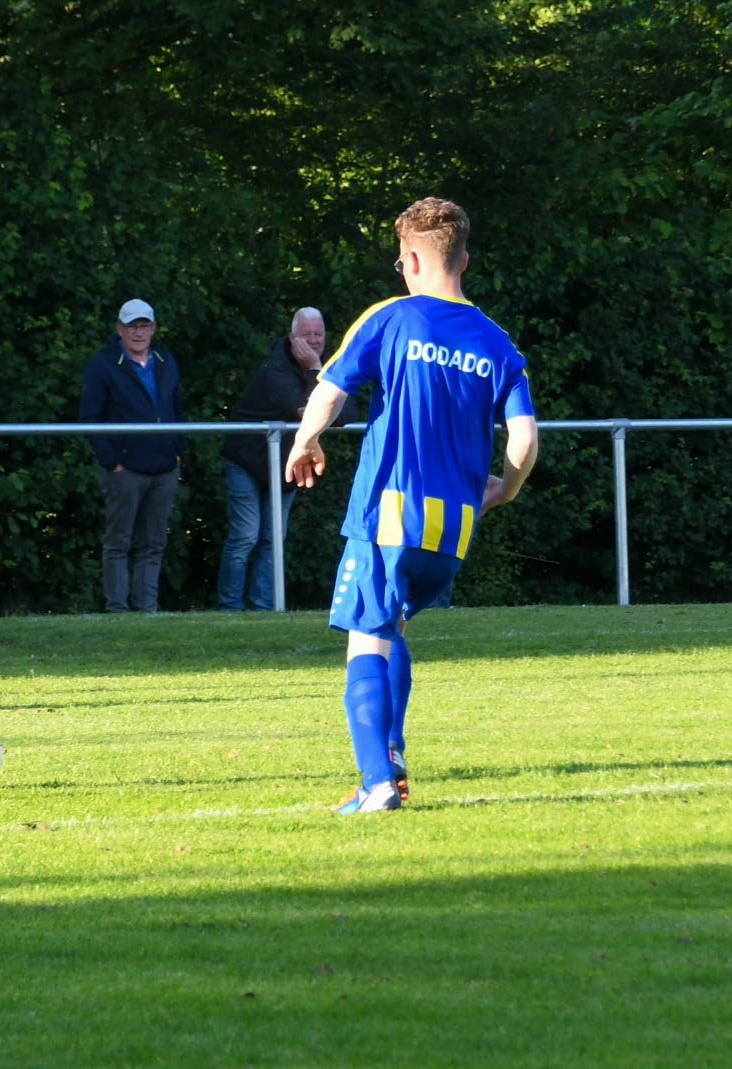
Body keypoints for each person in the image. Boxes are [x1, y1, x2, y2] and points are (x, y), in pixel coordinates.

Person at [286, 197, 539, 813]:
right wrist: (505, 489)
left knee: (364, 637)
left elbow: (331, 388)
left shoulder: (392, 317)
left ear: (412, 261)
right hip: (454, 524)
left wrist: (305, 439)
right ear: (464, 260)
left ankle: (376, 783)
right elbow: (525, 437)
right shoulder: (497, 342)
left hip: (389, 507)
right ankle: (393, 761)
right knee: (392, 626)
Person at [218, 307, 359, 611]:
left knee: (274, 538)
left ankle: (263, 609)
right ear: (292, 337)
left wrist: (316, 375)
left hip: (287, 462)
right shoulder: (275, 368)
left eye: (319, 334)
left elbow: (347, 412)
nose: (314, 340)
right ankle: (229, 608)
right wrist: (316, 380)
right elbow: (309, 409)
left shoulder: (326, 364)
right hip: (247, 459)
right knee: (245, 536)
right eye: (307, 334)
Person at [79, 298, 186, 613]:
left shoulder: (166, 360)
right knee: (118, 541)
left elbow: (177, 409)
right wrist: (112, 461)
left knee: (154, 543)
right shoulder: (102, 364)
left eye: (144, 325)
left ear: (153, 328)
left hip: (164, 467)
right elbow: (89, 417)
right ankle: (117, 609)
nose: (138, 332)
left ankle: (147, 609)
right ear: (119, 329)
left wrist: (177, 450)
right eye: (132, 326)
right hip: (125, 469)